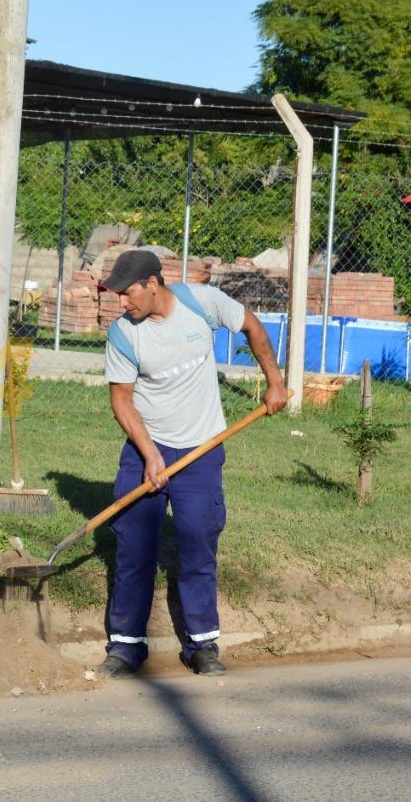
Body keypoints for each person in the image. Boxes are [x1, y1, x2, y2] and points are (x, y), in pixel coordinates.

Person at [97, 249, 287, 679]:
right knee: (133, 544)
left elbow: (253, 327)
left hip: (201, 447)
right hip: (147, 445)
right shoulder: (124, 334)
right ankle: (126, 646)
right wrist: (150, 456)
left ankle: (201, 645)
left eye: (126, 294)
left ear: (152, 283)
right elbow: (122, 400)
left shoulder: (202, 303)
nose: (122, 303)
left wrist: (274, 381)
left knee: (197, 540)